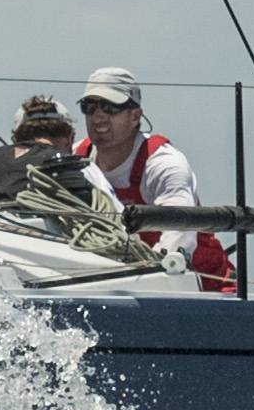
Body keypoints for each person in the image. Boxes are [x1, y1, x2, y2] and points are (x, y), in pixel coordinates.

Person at [68, 71, 238, 293]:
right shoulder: (74, 161)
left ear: (135, 116)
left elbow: (180, 234)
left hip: (206, 291)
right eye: (89, 107)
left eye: (110, 107)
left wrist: (144, 278)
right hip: (118, 289)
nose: (98, 117)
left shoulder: (163, 164)